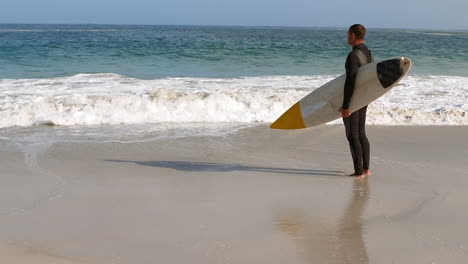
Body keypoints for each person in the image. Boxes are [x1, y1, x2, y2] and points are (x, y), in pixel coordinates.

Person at [338, 24, 373, 179]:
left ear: (352, 35)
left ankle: (358, 172)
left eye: (347, 34)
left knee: (352, 135)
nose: (347, 37)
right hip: (363, 98)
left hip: (353, 100)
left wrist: (346, 106)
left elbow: (350, 82)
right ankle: (366, 169)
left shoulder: (353, 56)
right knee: (361, 133)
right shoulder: (368, 53)